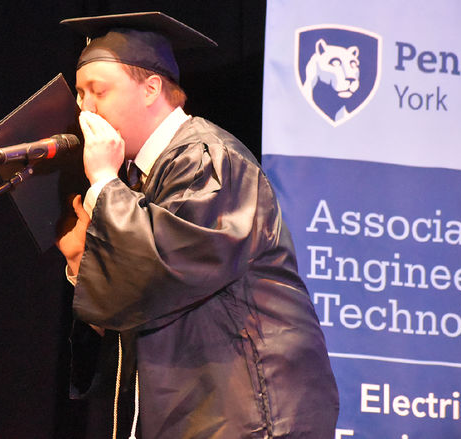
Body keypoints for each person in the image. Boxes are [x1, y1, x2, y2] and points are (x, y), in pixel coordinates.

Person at [56, 12, 339, 439]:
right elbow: (140, 302)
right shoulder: (143, 179)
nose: (86, 109)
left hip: (252, 412)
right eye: (80, 94)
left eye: (99, 91)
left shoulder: (206, 159)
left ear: (151, 88)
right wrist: (83, 264)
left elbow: (169, 266)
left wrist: (103, 184)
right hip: (200, 409)